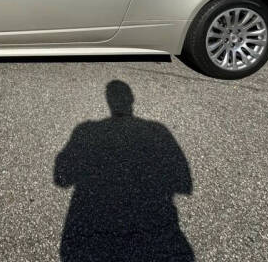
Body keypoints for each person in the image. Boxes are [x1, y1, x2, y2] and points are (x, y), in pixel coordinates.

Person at [54, 80, 194, 261]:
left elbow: (62, 178)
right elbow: (183, 183)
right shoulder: (157, 130)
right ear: (132, 99)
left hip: (93, 227)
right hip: (155, 228)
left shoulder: (86, 130)